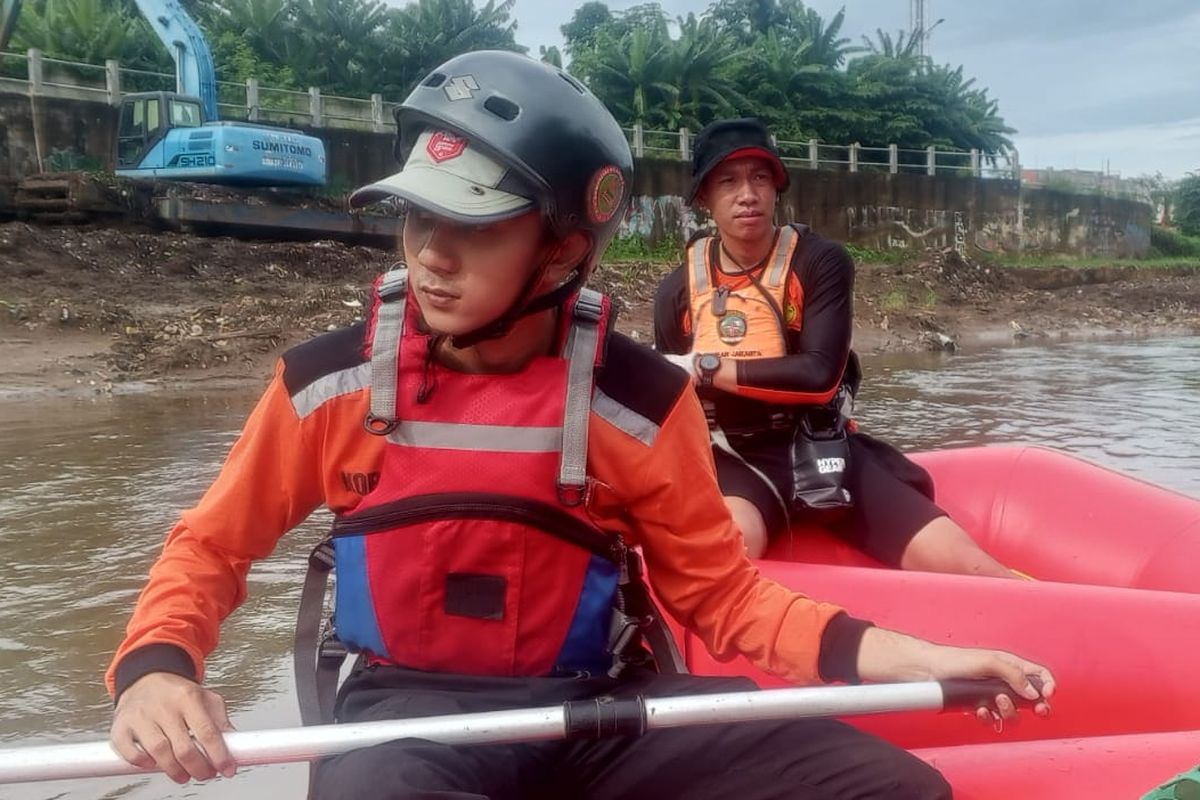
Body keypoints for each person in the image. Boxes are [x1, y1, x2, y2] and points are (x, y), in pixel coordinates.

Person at [106, 53, 1052, 800]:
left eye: (472, 227)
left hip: (609, 710)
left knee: (893, 789)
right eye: (414, 219)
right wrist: (155, 670)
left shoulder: (640, 402)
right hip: (408, 722)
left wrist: (917, 655)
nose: (430, 256)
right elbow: (211, 548)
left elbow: (727, 603)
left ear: (561, 247)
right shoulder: (328, 384)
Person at [654, 117, 1016, 574]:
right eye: (728, 181)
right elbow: (674, 409)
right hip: (733, 458)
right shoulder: (677, 291)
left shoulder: (819, 261)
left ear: (776, 188)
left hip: (821, 443)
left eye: (760, 178)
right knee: (731, 557)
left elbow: (819, 376)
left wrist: (703, 367)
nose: (748, 194)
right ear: (704, 197)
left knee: (969, 566)